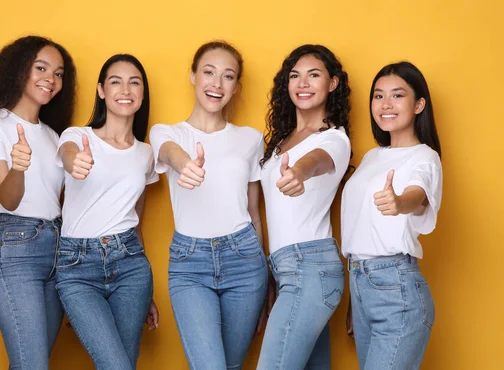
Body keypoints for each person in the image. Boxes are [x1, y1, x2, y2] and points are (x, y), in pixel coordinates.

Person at [0, 35, 77, 370]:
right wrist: (18, 167)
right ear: (18, 69)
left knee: (29, 362)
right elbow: (8, 199)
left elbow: (64, 203)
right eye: (41, 68)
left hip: (58, 252)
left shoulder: (54, 136)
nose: (50, 79)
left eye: (58, 73)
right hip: (15, 250)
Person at [149, 41, 267, 370]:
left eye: (227, 76)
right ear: (193, 76)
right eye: (208, 73)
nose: (216, 84)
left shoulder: (251, 139)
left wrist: (265, 279)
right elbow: (169, 151)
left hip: (245, 260)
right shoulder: (166, 132)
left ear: (237, 86)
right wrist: (186, 163)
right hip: (190, 265)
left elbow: (255, 212)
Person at [55, 54, 158, 370]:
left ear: (142, 95)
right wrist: (76, 163)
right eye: (116, 81)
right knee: (116, 365)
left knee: (125, 362)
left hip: (130, 264)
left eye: (134, 82)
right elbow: (68, 155)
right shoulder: (76, 137)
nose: (125, 89)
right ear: (101, 90)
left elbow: (136, 218)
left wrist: (147, 293)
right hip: (76, 267)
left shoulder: (145, 154)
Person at [341, 61, 442, 370]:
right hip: (362, 283)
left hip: (396, 289)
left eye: (397, 96)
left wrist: (399, 202)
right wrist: (356, 295)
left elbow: (419, 194)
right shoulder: (373, 156)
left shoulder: (424, 156)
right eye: (378, 95)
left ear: (419, 104)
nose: (385, 104)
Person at [257, 44, 351, 370]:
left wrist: (298, 172)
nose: (303, 83)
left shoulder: (333, 139)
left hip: (309, 268)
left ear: (333, 84)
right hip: (287, 269)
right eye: (295, 76)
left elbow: (316, 162)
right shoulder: (281, 140)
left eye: (314, 75)